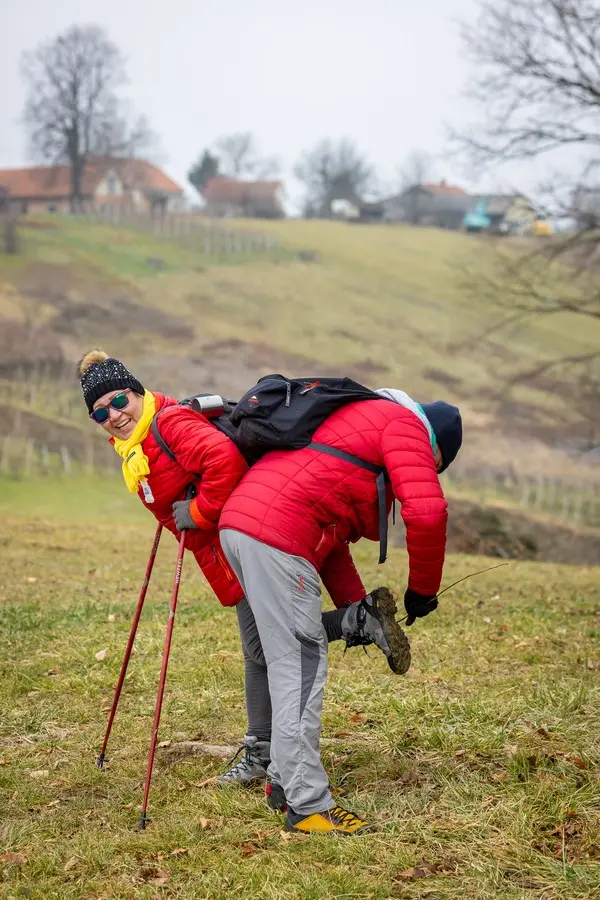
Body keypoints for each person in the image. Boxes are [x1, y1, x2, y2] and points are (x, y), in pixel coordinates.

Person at [80, 351, 408, 805]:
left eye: (119, 401)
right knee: (259, 651)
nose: (114, 414)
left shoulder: (169, 425)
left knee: (269, 648)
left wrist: (194, 510)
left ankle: (273, 745)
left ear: (136, 393)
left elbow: (225, 462)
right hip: (229, 550)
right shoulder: (138, 449)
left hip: (250, 541)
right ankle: (265, 745)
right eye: (100, 412)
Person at [219, 393, 462, 834]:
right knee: (300, 663)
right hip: (277, 536)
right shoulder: (405, 427)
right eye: (437, 464)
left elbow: (327, 534)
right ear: (436, 448)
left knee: (275, 654)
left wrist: (359, 610)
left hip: (240, 525)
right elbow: (428, 513)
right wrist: (423, 590)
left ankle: (282, 782)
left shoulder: (352, 423)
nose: (430, 470)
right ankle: (307, 805)